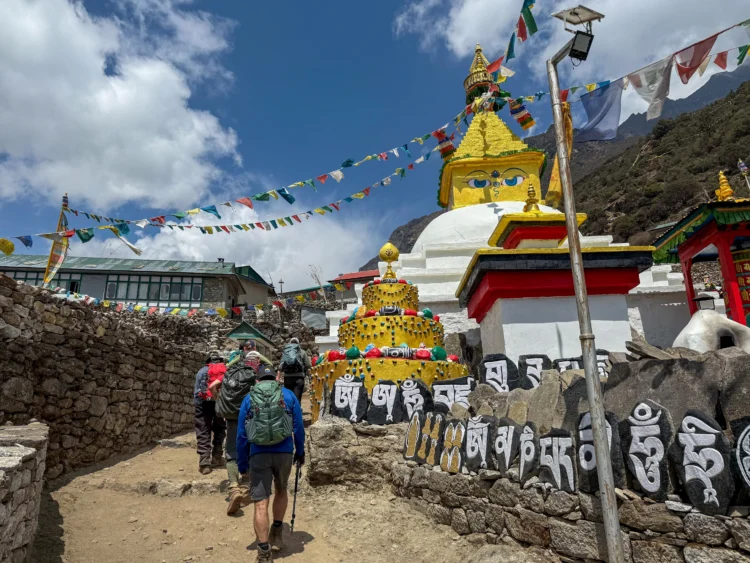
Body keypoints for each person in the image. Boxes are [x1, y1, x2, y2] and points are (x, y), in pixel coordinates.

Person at [237, 366, 305, 562]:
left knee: (260, 503)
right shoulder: (289, 395)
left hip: (258, 454)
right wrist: (300, 452)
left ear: (257, 380)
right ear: (277, 377)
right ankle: (277, 530)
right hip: (284, 452)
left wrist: (243, 464)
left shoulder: (249, 398)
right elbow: (298, 426)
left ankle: (264, 551)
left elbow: (242, 434)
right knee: (281, 490)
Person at [193, 352, 227, 475]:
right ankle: (217, 457)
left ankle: (204, 463)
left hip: (203, 403)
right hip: (219, 402)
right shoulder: (225, 371)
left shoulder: (201, 371)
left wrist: (197, 405)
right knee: (220, 428)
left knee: (203, 429)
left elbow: (197, 392)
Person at [278, 337, 311, 403]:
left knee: (288, 398)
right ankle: (297, 412)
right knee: (297, 399)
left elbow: (281, 366)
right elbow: (308, 365)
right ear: (298, 344)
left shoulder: (286, 352)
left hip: (287, 378)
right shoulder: (302, 352)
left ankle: (289, 412)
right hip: (299, 378)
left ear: (290, 343)